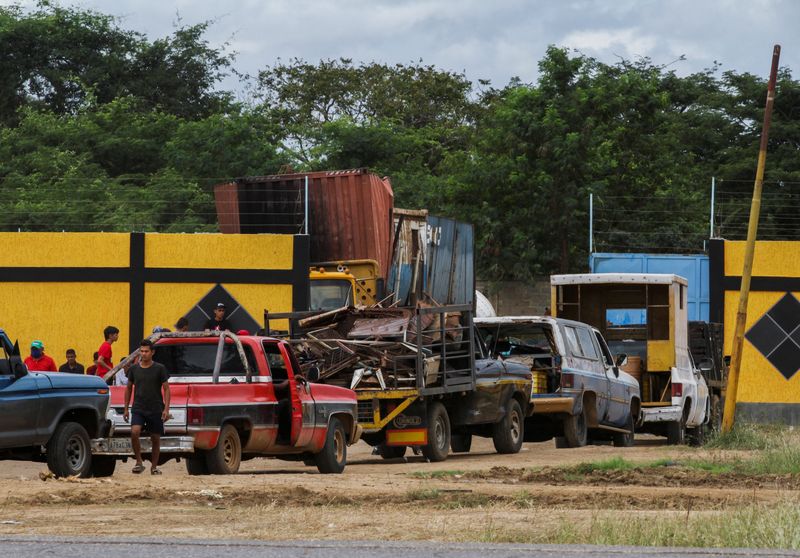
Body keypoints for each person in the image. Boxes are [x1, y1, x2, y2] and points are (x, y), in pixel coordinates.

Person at [123, 338, 170, 475]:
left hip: (155, 408)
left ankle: (154, 467)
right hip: (138, 407)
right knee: (134, 432)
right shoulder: (134, 369)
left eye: (146, 351)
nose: (143, 354)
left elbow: (166, 389)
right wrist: (126, 408)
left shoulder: (160, 368)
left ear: (152, 352)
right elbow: (128, 388)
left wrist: (166, 409)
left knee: (155, 438)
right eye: (141, 351)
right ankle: (139, 462)